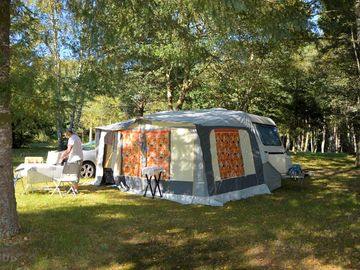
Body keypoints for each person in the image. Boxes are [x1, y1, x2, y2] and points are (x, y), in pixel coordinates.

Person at [59, 129, 83, 194]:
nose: (65, 136)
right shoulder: (77, 137)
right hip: (80, 158)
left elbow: (69, 150)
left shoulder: (71, 139)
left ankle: (74, 190)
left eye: (65, 134)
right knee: (76, 174)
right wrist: (67, 156)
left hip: (74, 159)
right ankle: (75, 189)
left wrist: (62, 156)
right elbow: (74, 150)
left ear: (68, 133)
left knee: (72, 174)